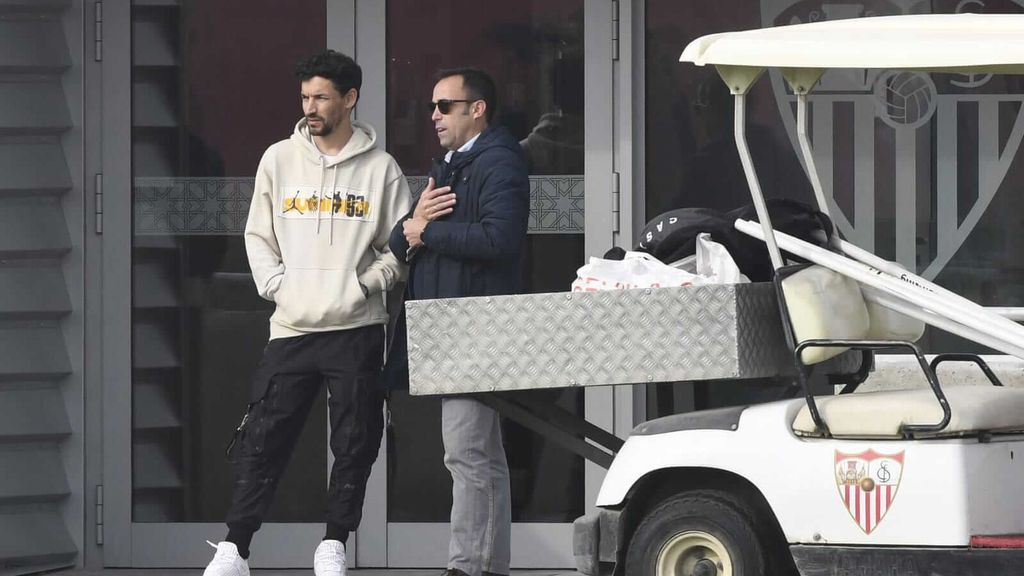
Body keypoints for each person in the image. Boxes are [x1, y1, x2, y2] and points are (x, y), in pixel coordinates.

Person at [202, 50, 412, 576]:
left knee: (356, 441)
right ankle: (235, 548)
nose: (310, 107)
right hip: (291, 326)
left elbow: (402, 245)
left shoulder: (382, 170)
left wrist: (366, 283)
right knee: (262, 439)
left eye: (321, 97)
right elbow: (257, 234)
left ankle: (333, 544)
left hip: (357, 328)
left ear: (350, 99)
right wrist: (278, 287)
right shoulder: (278, 159)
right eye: (305, 97)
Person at [388, 68, 530, 576]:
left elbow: (500, 240)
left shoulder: (498, 163)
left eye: (444, 106)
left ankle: (466, 566)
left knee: (465, 452)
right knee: (480, 455)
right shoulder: (447, 166)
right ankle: (488, 566)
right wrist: (416, 221)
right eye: (432, 107)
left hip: (476, 327)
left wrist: (428, 233)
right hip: (447, 329)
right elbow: (402, 240)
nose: (434, 116)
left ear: (477, 108)